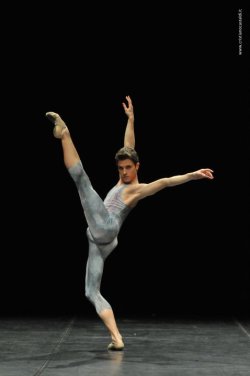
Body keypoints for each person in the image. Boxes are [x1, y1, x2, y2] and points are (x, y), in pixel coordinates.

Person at [46, 95, 214, 351]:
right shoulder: (125, 176)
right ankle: (117, 338)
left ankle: (65, 133)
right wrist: (131, 119)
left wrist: (192, 175)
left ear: (137, 167)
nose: (123, 172)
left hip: (106, 226)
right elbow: (129, 145)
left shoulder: (137, 190)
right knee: (91, 292)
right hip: (100, 241)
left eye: (128, 168)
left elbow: (166, 182)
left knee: (82, 182)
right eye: (120, 168)